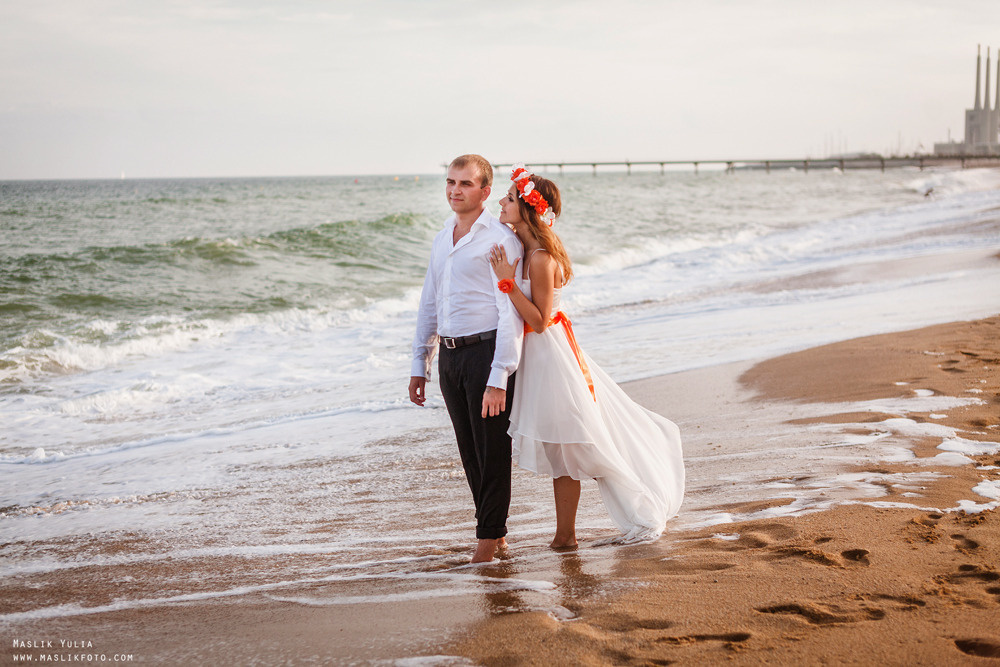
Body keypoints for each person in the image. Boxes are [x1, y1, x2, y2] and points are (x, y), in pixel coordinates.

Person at [489, 164, 684, 546]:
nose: (501, 201)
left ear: (528, 210)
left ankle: (571, 533)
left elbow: (541, 321)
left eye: (510, 198)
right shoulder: (527, 251)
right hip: (540, 358)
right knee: (566, 450)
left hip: (551, 358)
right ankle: (566, 535)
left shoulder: (542, 258)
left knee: (574, 445)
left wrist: (507, 283)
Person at [409, 154, 524, 563]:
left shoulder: (500, 239)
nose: (455, 190)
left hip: (487, 353)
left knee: (492, 449)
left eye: (465, 184)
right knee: (469, 451)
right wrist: (419, 364)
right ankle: (494, 533)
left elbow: (510, 312)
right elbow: (430, 303)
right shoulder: (443, 237)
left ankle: (486, 545)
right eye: (450, 182)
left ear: (485, 191)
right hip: (450, 358)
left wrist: (498, 377)